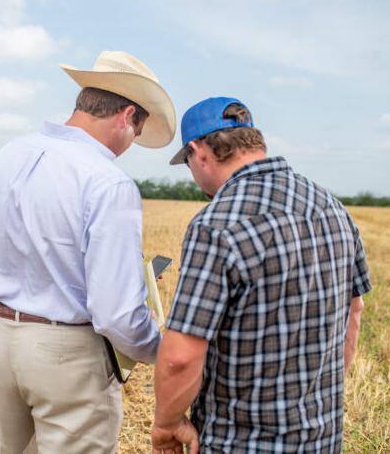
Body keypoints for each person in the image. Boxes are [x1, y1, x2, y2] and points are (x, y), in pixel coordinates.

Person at [0, 51, 177, 453]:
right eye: (137, 134)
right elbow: (115, 313)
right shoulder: (108, 182)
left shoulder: (8, 155)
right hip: (67, 354)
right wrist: (161, 349)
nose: (130, 145)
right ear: (126, 116)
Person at [152, 97, 371, 453]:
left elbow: (181, 357)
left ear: (199, 151)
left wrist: (167, 423)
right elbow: (354, 311)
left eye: (188, 162)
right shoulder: (332, 206)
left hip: (241, 442)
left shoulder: (216, 224)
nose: (192, 174)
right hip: (323, 437)